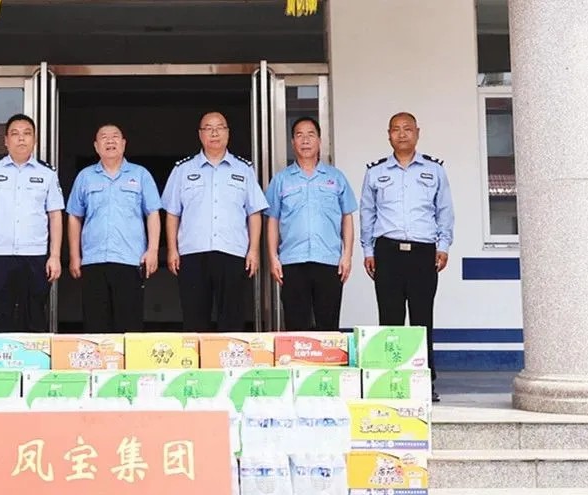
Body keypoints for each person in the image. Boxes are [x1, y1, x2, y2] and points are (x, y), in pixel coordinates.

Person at [360, 112, 455, 402]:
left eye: (407, 129)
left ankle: (425, 381)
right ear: (388, 134)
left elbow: (444, 211)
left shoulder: (434, 170)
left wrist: (443, 245)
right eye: (396, 129)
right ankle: (390, 380)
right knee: (389, 319)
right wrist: (368, 250)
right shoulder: (375, 172)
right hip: (387, 252)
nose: (402, 134)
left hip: (423, 253)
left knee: (422, 319)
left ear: (417, 133)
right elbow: (367, 213)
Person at [161, 112, 269, 332]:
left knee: (232, 317)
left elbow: (254, 213)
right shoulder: (183, 170)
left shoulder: (244, 169)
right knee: (194, 318)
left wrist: (253, 251)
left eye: (219, 127)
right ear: (200, 135)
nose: (214, 133)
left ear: (227, 133)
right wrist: (172, 250)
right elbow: (172, 213)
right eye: (208, 128)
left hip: (233, 252)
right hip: (192, 253)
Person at [0, 114, 64, 332]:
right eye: (15, 134)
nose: (21, 138)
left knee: (34, 318)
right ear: (5, 140)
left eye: (27, 133)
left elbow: (55, 216)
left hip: (35, 255)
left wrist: (55, 256)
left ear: (35, 140)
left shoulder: (47, 174)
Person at [66, 124, 162, 332]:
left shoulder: (140, 174)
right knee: (95, 326)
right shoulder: (85, 177)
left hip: (129, 260)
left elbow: (153, 213)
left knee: (129, 326)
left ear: (124, 143)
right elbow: (74, 216)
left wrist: (153, 250)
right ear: (96, 146)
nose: (110, 141)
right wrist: (74, 255)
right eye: (104, 137)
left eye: (115, 136)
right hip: (93, 261)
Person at [265, 116, 357, 331]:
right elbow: (272, 220)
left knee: (328, 327)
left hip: (329, 261)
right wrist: (273, 258)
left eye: (310, 135)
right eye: (299, 135)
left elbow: (347, 217)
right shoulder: (281, 179)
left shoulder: (336, 177)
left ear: (319, 141)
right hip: (292, 262)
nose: (305, 140)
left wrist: (347, 256)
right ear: (292, 142)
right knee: (296, 327)